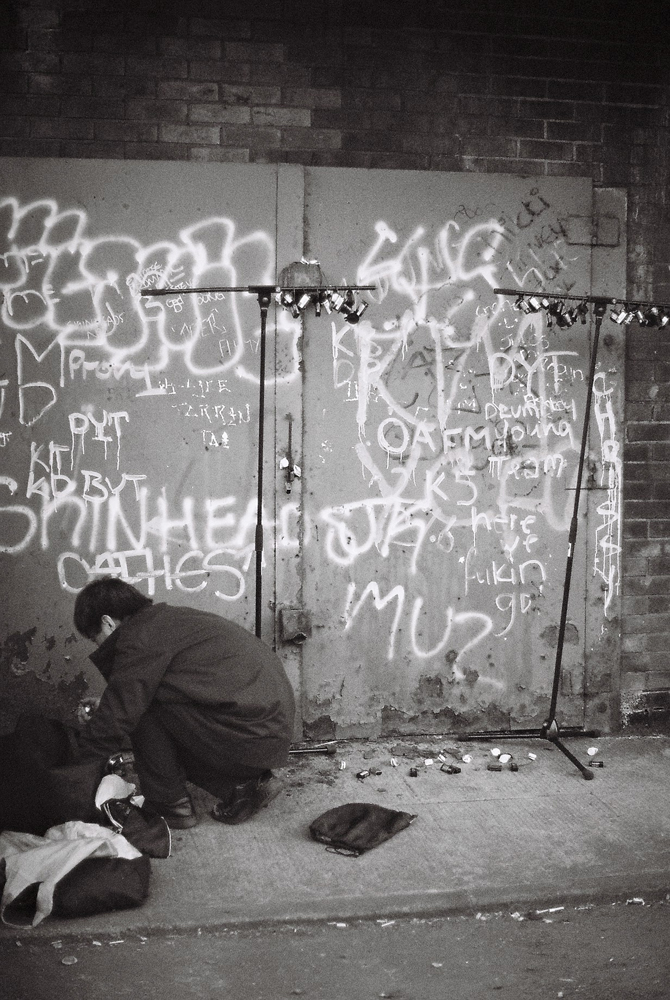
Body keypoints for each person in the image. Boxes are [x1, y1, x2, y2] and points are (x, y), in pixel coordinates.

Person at [73, 577, 296, 829]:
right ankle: (244, 787)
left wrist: (75, 778)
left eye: (95, 639)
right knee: (141, 704)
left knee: (141, 712)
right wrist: (109, 702)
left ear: (108, 622)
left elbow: (118, 716)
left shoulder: (138, 638)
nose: (97, 645)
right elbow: (165, 686)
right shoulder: (163, 622)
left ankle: (170, 804)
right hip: (265, 731)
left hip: (251, 733)